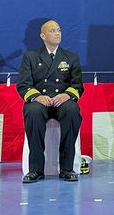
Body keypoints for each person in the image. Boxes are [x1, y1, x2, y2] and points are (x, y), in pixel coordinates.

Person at [17, 20, 84, 183]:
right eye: (53, 30)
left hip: (62, 101)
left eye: (59, 30)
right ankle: (35, 170)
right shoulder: (30, 57)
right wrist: (37, 96)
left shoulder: (71, 57)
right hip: (40, 101)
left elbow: (77, 85)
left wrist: (67, 95)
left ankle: (67, 168)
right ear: (42, 35)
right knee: (32, 111)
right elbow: (24, 84)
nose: (57, 33)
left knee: (72, 110)